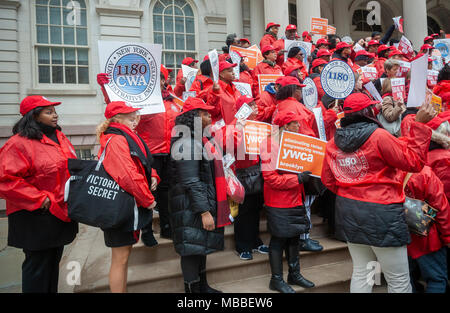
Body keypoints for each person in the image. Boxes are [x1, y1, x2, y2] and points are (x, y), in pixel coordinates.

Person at [321, 92, 436, 293]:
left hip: (348, 211)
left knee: (362, 273)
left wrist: (352, 186)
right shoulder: (379, 136)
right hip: (382, 213)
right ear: (367, 112)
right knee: (398, 280)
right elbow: (414, 162)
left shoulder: (333, 142)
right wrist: (419, 125)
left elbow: (328, 180)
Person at [0, 95, 78, 293]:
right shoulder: (18, 144)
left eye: (54, 111)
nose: (55, 116)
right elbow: (6, 180)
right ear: (34, 116)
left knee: (53, 263)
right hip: (35, 215)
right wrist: (41, 199)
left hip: (59, 211)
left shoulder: (59, 137)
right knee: (37, 268)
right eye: (48, 112)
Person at [96, 101, 159, 293]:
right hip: (119, 206)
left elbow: (142, 163)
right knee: (120, 259)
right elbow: (127, 175)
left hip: (127, 204)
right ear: (117, 119)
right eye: (130, 115)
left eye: (135, 114)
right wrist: (148, 199)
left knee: (123, 257)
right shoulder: (116, 139)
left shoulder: (127, 136)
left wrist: (154, 175)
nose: (135, 119)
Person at [169, 97, 229, 293]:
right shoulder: (186, 142)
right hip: (190, 205)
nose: (209, 117)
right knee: (191, 250)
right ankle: (193, 291)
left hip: (198, 201)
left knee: (199, 245)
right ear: (192, 117)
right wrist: (204, 211)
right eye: (204, 113)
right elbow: (191, 181)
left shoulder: (201, 139)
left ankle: (203, 287)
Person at [260, 110, 315, 293]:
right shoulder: (269, 144)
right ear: (285, 126)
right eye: (295, 124)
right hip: (278, 201)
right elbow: (270, 178)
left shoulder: (293, 143)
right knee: (279, 240)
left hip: (294, 198)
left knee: (294, 237)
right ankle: (276, 279)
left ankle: (294, 274)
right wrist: (297, 179)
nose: (299, 127)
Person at [136, 70, 182, 241]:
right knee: (147, 190)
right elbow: (119, 109)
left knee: (165, 192)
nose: (160, 81)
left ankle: (166, 226)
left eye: (161, 78)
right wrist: (105, 88)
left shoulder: (172, 100)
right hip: (150, 152)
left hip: (169, 152)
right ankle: (146, 230)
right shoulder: (141, 98)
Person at [404, 166, 450, 293]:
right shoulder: (424, 173)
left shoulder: (386, 169)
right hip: (427, 239)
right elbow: (441, 208)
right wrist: (447, 236)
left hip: (401, 236)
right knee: (436, 279)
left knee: (405, 280)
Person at [233, 95, 269, 260]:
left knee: (255, 209)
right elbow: (230, 147)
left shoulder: (260, 126)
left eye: (255, 104)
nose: (256, 107)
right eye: (251, 105)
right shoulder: (236, 126)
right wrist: (238, 130)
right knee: (244, 212)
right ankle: (242, 245)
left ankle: (255, 241)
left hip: (258, 172)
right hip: (243, 174)